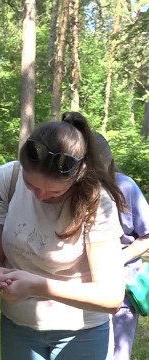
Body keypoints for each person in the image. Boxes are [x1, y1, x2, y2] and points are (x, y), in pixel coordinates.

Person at [0, 112, 127, 360]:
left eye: (55, 192)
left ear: (78, 176)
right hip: (18, 324)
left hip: (82, 331)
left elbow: (111, 296)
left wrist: (38, 286)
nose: (40, 196)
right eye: (31, 185)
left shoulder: (96, 201)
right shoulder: (9, 178)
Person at [93, 132, 149, 360]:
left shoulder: (125, 186)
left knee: (117, 354)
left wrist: (117, 258)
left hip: (122, 291)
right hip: (82, 290)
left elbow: (146, 236)